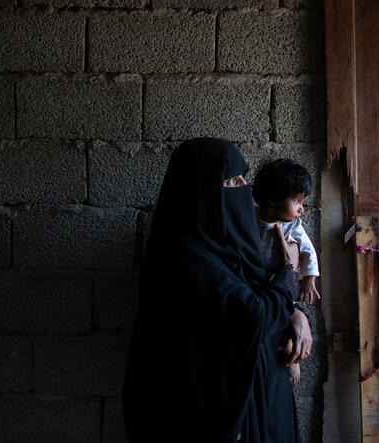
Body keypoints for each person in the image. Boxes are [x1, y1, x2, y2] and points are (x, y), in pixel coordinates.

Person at [122, 138, 312, 443]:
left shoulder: (228, 245)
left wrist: (293, 311)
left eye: (243, 179)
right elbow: (254, 315)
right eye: (231, 180)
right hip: (213, 419)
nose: (243, 189)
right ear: (200, 191)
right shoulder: (185, 256)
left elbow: (257, 294)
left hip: (258, 406)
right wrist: (287, 278)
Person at [252, 158, 320, 384]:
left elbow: (308, 251)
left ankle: (293, 360)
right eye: (297, 201)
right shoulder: (250, 220)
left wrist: (309, 278)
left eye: (303, 202)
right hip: (258, 283)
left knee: (286, 317)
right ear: (271, 200)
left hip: (281, 282)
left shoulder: (292, 226)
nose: (301, 208)